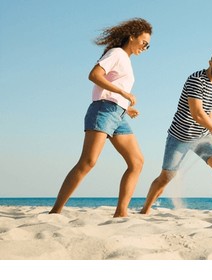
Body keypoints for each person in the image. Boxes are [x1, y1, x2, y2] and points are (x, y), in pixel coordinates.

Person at [50, 18, 152, 218]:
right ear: (132, 37)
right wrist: (123, 94)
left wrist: (126, 107)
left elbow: (112, 89)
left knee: (137, 162)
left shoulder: (126, 60)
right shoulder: (117, 53)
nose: (145, 47)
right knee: (88, 162)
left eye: (148, 45)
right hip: (103, 111)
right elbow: (95, 75)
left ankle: (121, 212)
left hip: (118, 114)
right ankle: (56, 210)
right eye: (143, 42)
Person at [140, 50, 212, 214]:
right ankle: (145, 211)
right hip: (179, 136)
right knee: (166, 178)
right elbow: (197, 113)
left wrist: (211, 132)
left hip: (202, 136)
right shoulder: (196, 80)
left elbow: (208, 110)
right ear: (210, 62)